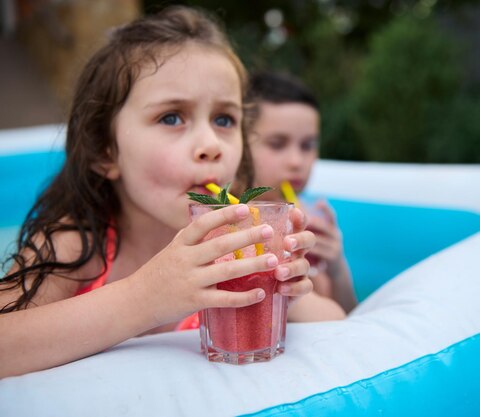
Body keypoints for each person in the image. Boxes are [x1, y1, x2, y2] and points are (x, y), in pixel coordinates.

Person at [0, 7, 345, 379]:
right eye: (171, 117)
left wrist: (284, 294)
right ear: (105, 150)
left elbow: (340, 326)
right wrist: (147, 297)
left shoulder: (236, 248)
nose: (211, 144)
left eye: (224, 120)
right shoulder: (76, 244)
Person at [244, 71, 357, 313]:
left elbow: (351, 316)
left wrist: (337, 267)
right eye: (277, 144)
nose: (297, 161)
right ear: (240, 145)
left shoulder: (314, 217)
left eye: (307, 146)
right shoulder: (233, 223)